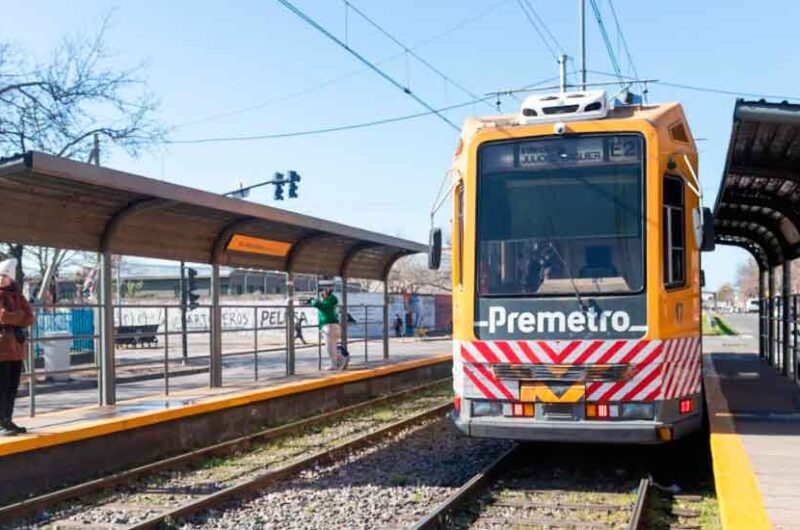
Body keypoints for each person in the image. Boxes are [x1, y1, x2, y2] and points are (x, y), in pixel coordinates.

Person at [0, 258, 34, 436]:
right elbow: (3, 317)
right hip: (2, 349)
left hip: (16, 349)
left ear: (11, 278)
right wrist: (18, 315)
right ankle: (1, 423)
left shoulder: (18, 295)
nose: (1, 278)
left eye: (4, 275)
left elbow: (30, 318)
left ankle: (7, 420)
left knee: (12, 387)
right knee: (2, 386)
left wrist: (14, 315)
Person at [308, 288, 343, 370]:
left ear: (327, 295)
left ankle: (335, 365)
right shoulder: (333, 301)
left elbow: (319, 304)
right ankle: (340, 360)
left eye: (322, 294)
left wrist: (312, 301)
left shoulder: (327, 302)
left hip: (329, 327)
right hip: (336, 326)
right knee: (334, 346)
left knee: (330, 348)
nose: (321, 296)